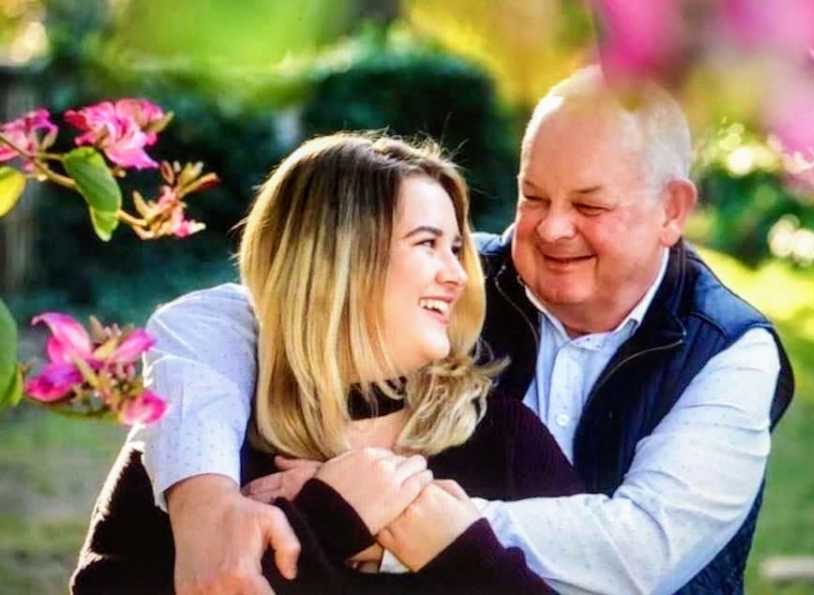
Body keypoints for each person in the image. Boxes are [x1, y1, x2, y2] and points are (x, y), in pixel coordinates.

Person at [111, 67, 794, 595]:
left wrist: (401, 519)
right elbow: (224, 313)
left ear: (671, 209)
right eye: (533, 197)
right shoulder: (459, 287)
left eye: (590, 204)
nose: (552, 228)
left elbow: (641, 549)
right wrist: (207, 500)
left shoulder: (730, 353)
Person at [71, 133, 585, 594]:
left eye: (456, 248)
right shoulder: (201, 445)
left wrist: (450, 544)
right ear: (336, 261)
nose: (458, 274)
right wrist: (329, 519)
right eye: (427, 243)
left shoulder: (501, 438)